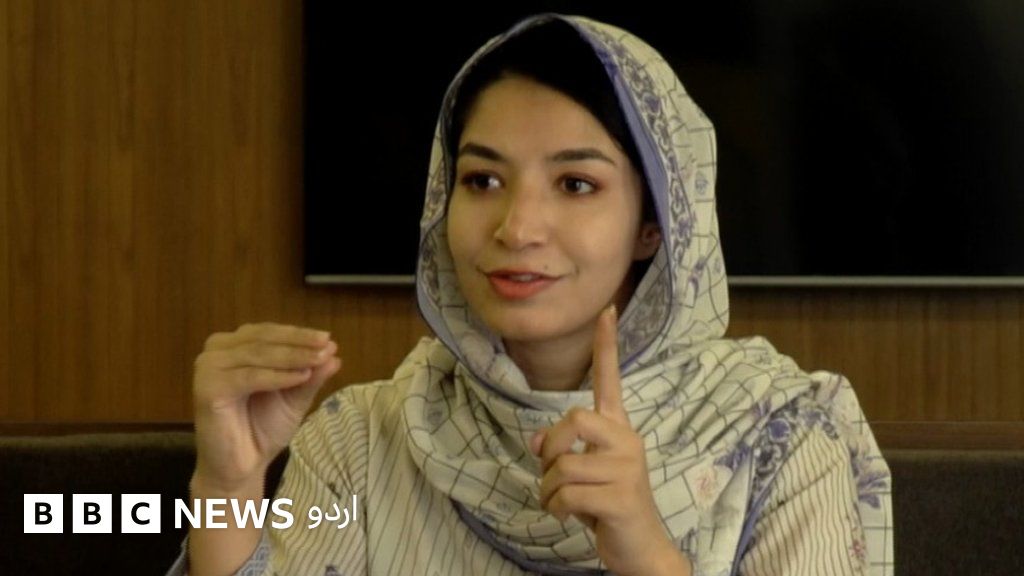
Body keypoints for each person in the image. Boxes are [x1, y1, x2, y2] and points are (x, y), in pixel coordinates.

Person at [168, 13, 893, 576]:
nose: (516, 228)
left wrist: (646, 551)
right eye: (483, 180)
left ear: (655, 225)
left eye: (576, 183)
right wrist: (229, 485)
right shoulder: (361, 441)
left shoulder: (787, 435)